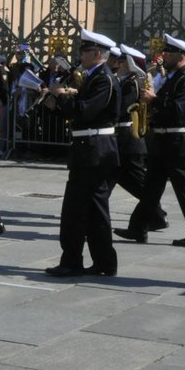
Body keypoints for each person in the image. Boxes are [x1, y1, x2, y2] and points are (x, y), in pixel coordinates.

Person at [120, 34, 185, 247]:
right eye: (165, 52)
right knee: (151, 189)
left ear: (182, 56)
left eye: (169, 53)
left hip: (179, 143)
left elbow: (178, 110)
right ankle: (138, 228)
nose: (164, 56)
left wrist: (154, 100)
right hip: (163, 142)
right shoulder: (173, 79)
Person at [46, 29, 121, 277]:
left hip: (95, 150)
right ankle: (102, 261)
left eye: (84, 51)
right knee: (88, 209)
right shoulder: (93, 77)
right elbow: (78, 113)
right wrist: (55, 103)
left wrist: (61, 97)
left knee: (78, 210)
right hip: (88, 148)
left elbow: (85, 112)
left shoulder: (103, 79)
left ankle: (76, 261)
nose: (80, 55)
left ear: (97, 53)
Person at [108, 45, 160, 238]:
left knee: (138, 181)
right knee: (124, 178)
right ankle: (151, 216)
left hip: (129, 138)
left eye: (121, 61)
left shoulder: (132, 83)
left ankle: (154, 213)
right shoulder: (129, 80)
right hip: (125, 139)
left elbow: (122, 108)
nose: (118, 64)